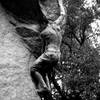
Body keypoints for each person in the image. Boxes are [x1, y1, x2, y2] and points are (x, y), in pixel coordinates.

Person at [30, 0, 67, 93]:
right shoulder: (55, 25)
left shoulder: (43, 33)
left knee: (34, 69)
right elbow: (62, 14)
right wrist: (60, 3)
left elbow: (42, 48)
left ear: (42, 24)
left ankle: (44, 87)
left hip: (49, 54)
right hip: (57, 56)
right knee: (44, 71)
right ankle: (48, 88)